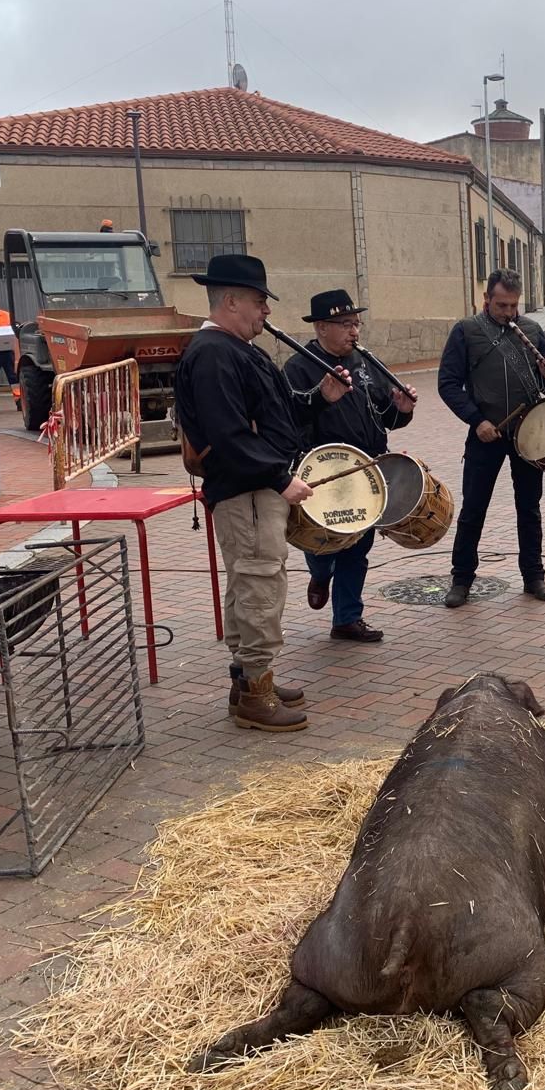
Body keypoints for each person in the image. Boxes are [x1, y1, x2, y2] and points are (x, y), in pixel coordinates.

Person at [174, 254, 351, 733]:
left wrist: (319, 399)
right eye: (258, 302)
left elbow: (276, 411)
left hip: (255, 488)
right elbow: (229, 434)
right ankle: (256, 692)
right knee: (259, 585)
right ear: (230, 301)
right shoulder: (214, 353)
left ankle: (249, 679)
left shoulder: (235, 348)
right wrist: (279, 478)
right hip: (248, 491)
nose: (265, 312)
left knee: (253, 584)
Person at [285, 289, 417, 643]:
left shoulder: (365, 361)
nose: (354, 331)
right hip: (324, 473)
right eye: (345, 324)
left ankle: (346, 619)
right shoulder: (299, 366)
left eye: (356, 323)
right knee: (322, 543)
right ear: (322, 327)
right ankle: (319, 569)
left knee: (358, 546)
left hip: (366, 468)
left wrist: (402, 409)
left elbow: (383, 417)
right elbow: (292, 421)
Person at [437, 268, 545, 608]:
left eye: (513, 306)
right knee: (474, 508)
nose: (508, 313)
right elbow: (447, 383)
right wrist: (476, 420)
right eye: (501, 305)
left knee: (529, 507)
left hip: (527, 433)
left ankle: (534, 576)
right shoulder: (466, 331)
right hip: (485, 433)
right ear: (486, 300)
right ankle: (461, 579)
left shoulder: (532, 330)